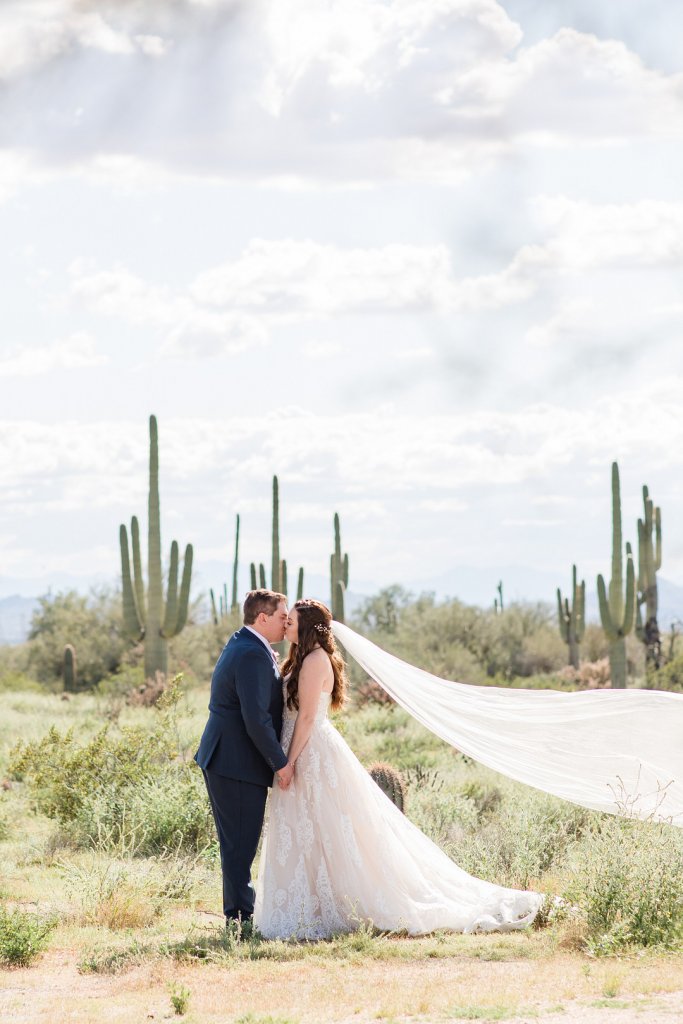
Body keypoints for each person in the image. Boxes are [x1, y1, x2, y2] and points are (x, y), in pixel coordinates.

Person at [254, 598, 544, 939]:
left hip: (309, 750)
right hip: (299, 748)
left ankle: (336, 906)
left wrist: (288, 760)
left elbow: (305, 716)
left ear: (307, 627)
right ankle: (310, 903)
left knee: (331, 829)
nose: (286, 623)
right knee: (309, 830)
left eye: (293, 621)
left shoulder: (316, 660)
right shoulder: (299, 658)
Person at [195, 589, 294, 925]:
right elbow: (256, 718)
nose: (287, 622)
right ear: (262, 618)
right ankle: (239, 919)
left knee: (238, 841)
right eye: (282, 616)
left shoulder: (247, 644)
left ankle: (239, 914)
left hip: (230, 758)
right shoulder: (251, 653)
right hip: (234, 761)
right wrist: (280, 762)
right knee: (240, 843)